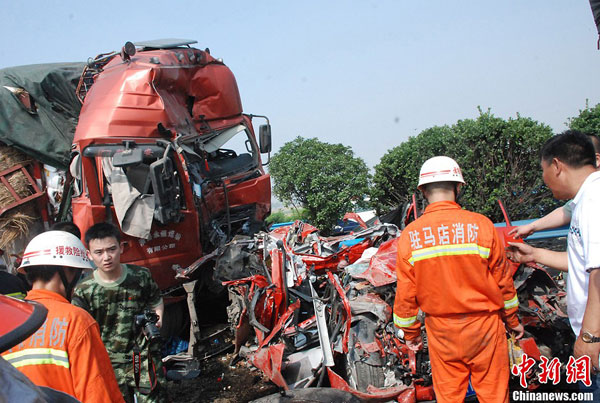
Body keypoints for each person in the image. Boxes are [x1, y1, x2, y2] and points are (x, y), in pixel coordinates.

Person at [393, 156, 524, 403]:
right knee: (495, 395)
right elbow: (504, 283)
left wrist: (410, 336)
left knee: (450, 396)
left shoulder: (410, 236)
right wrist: (513, 320)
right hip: (486, 328)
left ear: (422, 190)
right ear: (458, 187)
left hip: (442, 332)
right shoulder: (483, 226)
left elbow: (406, 295)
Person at [506, 130, 600, 395]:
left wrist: (590, 336)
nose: (544, 180)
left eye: (543, 170)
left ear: (557, 165)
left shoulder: (594, 201)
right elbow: (582, 263)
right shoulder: (585, 201)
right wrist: (534, 254)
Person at [1, 230, 124, 403]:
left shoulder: (9, 322)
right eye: (79, 273)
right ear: (67, 271)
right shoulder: (75, 320)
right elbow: (97, 395)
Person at [72, 222, 167, 403]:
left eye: (111, 249)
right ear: (89, 255)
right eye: (98, 253)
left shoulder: (141, 276)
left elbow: (156, 300)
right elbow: (80, 330)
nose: (106, 257)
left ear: (121, 248)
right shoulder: (84, 290)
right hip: (107, 362)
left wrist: (158, 318)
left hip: (142, 357)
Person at [508, 133, 600, 240]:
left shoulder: (592, 202)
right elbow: (565, 211)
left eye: (543, 169)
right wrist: (534, 251)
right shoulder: (583, 198)